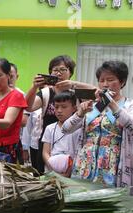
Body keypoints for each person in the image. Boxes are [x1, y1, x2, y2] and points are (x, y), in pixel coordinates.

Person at [62, 61, 133, 191]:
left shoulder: (129, 105)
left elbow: (130, 125)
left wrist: (111, 103)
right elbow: (65, 129)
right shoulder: (92, 106)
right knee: (83, 199)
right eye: (101, 80)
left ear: (122, 82)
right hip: (85, 162)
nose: (105, 84)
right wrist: (80, 113)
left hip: (112, 163)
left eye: (110, 80)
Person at [25, 55, 95, 173]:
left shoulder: (77, 92)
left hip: (73, 144)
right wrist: (34, 87)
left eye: (63, 69)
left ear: (70, 73)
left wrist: (73, 84)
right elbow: (28, 107)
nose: (58, 73)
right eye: (55, 70)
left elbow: (97, 93)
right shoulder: (46, 93)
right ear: (50, 73)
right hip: (48, 144)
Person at [42, 91, 81, 177]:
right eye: (56, 107)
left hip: (72, 171)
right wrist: (53, 170)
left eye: (64, 107)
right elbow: (45, 152)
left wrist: (69, 171)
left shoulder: (79, 129)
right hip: (51, 172)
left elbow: (78, 153)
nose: (59, 111)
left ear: (74, 108)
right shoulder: (50, 128)